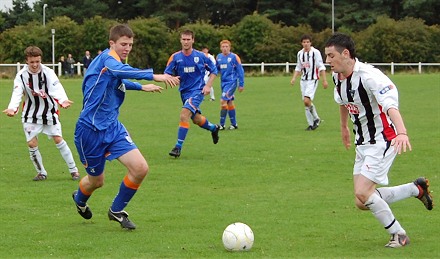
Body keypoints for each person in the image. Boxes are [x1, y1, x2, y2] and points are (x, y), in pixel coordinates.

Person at [324, 33, 433, 248]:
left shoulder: (370, 76)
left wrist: (402, 132)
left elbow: (391, 105)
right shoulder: (339, 76)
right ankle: (415, 189)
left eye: (331, 56)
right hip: (362, 142)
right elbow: (343, 101)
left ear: (346, 54)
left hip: (383, 140)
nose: (327, 61)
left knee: (363, 192)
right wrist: (344, 127)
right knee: (361, 201)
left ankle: (399, 235)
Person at [71, 24, 179, 229]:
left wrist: (141, 87)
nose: (127, 48)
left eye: (130, 44)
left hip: (113, 128)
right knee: (96, 181)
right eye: (123, 44)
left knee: (140, 168)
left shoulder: (113, 64)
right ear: (112, 43)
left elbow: (117, 79)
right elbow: (118, 71)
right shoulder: (107, 60)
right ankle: (79, 200)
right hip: (89, 131)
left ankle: (116, 210)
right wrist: (154, 76)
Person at [2, 46, 80, 181]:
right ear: (27, 61)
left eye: (37, 61)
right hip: (30, 114)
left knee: (58, 139)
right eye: (32, 62)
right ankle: (41, 172)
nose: (35, 65)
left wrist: (63, 100)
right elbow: (17, 93)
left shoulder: (48, 72)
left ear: (40, 60)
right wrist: (12, 108)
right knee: (31, 143)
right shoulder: (21, 75)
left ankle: (74, 170)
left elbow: (56, 87)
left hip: (49, 112)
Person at [165, 29, 220, 158]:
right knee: (195, 119)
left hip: (197, 91)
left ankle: (177, 148)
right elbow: (167, 73)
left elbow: (214, 70)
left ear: (193, 40)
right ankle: (213, 128)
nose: (186, 41)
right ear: (180, 40)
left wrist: (208, 85)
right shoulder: (175, 57)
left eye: (188, 39)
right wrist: (171, 78)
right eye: (183, 39)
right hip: (184, 92)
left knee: (184, 114)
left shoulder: (200, 56)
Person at [290, 34, 328, 131]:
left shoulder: (315, 53)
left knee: (307, 101)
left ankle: (315, 119)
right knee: (306, 103)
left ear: (310, 43)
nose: (306, 44)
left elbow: (321, 66)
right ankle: (312, 123)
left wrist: (324, 80)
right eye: (304, 42)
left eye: (308, 42)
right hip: (303, 80)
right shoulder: (300, 54)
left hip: (313, 79)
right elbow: (298, 67)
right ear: (301, 43)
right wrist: (294, 78)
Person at [215, 40, 245, 130]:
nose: (225, 48)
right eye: (223, 47)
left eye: (226, 46)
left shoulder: (234, 57)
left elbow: (240, 70)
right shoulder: (219, 57)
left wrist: (241, 84)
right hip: (223, 83)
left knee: (223, 101)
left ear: (230, 47)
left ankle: (221, 125)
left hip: (232, 83)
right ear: (220, 48)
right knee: (229, 102)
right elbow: (216, 69)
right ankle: (234, 124)